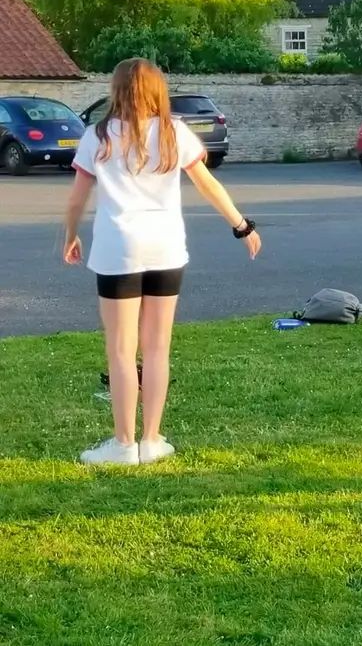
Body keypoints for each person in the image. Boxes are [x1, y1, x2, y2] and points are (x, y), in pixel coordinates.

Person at [64, 58, 261, 466]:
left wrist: (70, 235)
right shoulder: (175, 133)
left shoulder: (97, 135)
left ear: (116, 91)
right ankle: (151, 440)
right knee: (157, 348)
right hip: (166, 247)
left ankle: (123, 444)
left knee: (121, 351)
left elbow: (77, 197)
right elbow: (208, 183)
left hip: (117, 249)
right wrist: (242, 226)